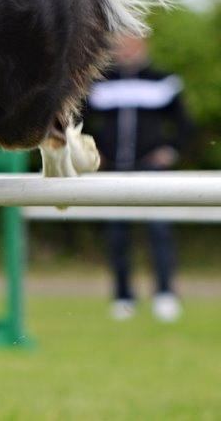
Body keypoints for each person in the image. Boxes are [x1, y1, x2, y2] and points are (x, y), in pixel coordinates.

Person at [83, 35, 193, 322]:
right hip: (114, 170)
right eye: (121, 43)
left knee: (159, 233)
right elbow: (78, 121)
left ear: (144, 44)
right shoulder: (101, 82)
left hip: (151, 169)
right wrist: (93, 151)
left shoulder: (163, 81)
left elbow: (184, 125)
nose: (126, 49)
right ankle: (123, 297)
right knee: (117, 236)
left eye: (131, 43)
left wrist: (170, 151)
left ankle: (165, 294)